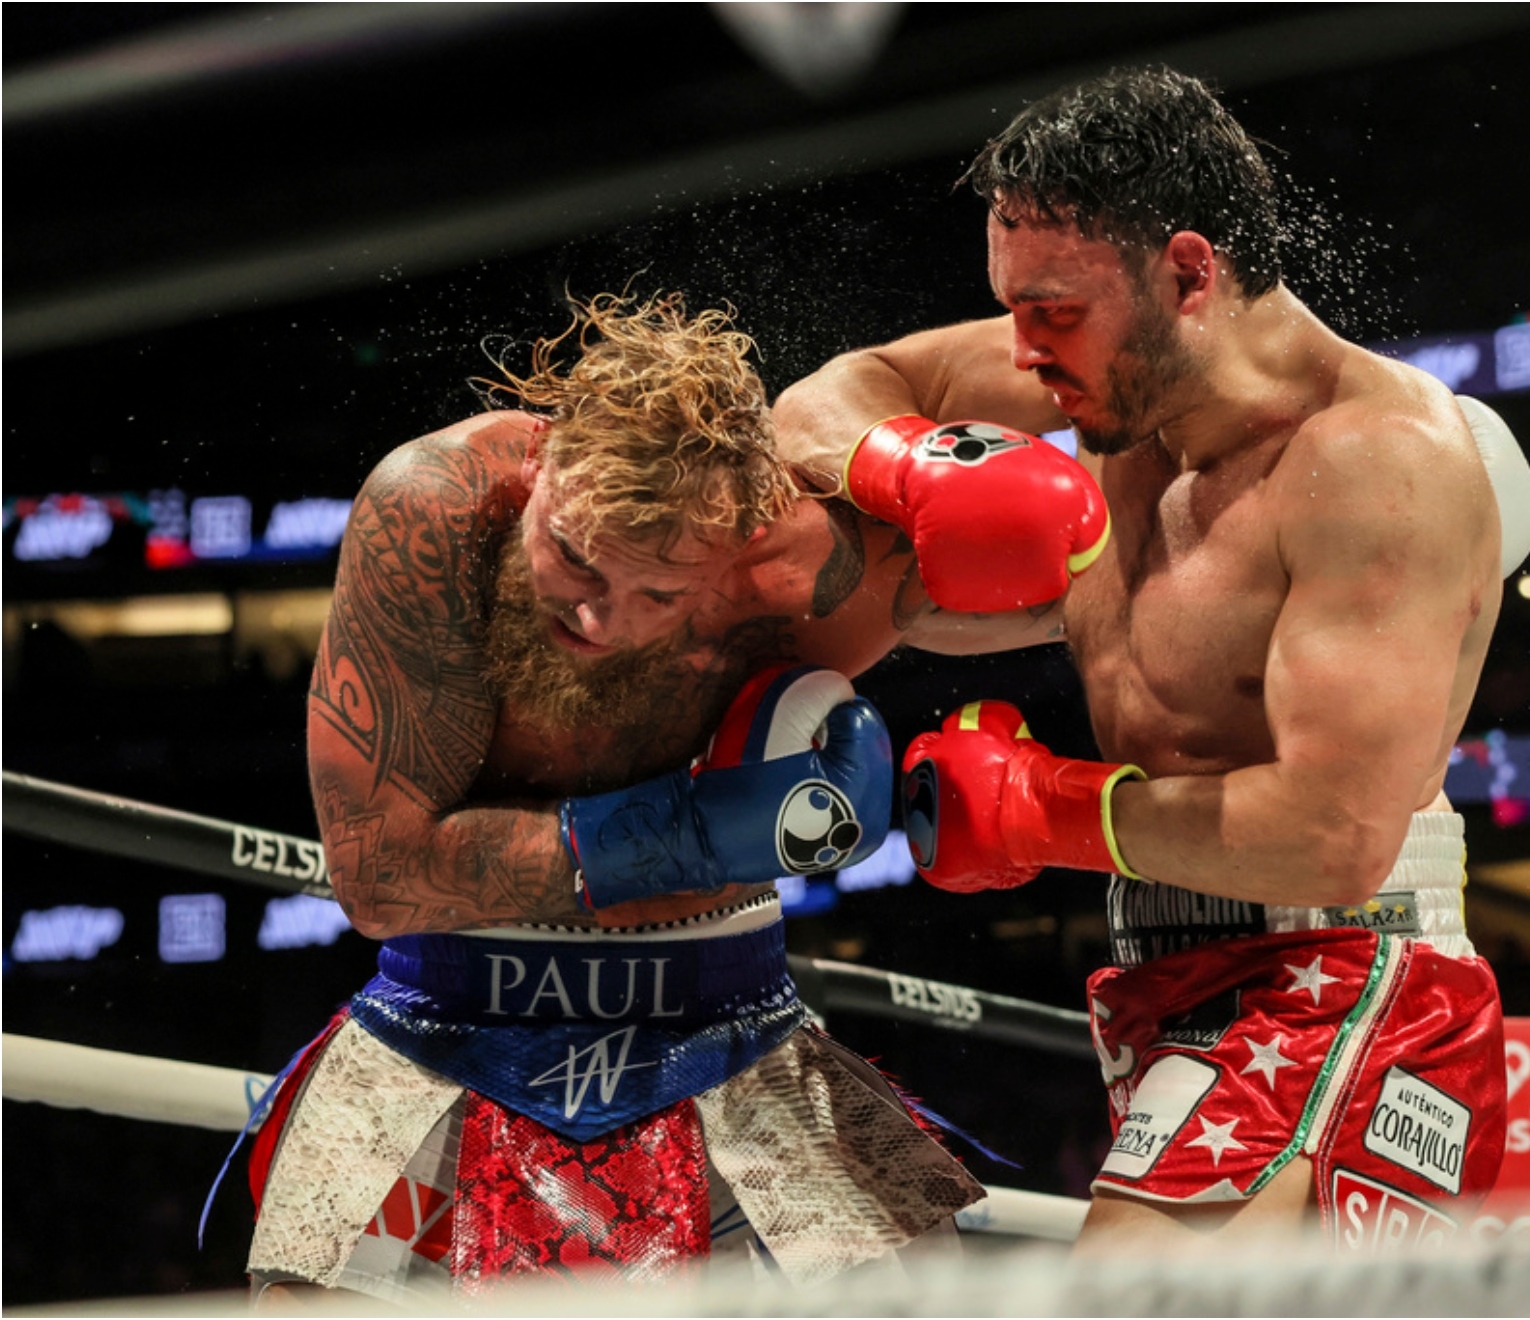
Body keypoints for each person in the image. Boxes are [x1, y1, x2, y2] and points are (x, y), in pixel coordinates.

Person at [772, 65, 1530, 1252]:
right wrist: (904, 465)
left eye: (1055, 313)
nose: (1023, 356)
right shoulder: (1108, 393)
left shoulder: (1376, 461)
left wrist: (1041, 811)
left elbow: (1332, 835)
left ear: (1189, 272)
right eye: (1012, 308)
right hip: (1172, 976)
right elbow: (829, 399)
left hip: (1345, 968)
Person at [246, 290, 1109, 1303]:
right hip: (446, 1029)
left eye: (657, 593)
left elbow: (1107, 577)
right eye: (570, 554)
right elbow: (378, 875)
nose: (598, 614)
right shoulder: (435, 511)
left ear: (739, 554)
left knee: (914, 1289)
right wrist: (692, 836)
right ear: (546, 468)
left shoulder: (808, 576)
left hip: (727, 1018)